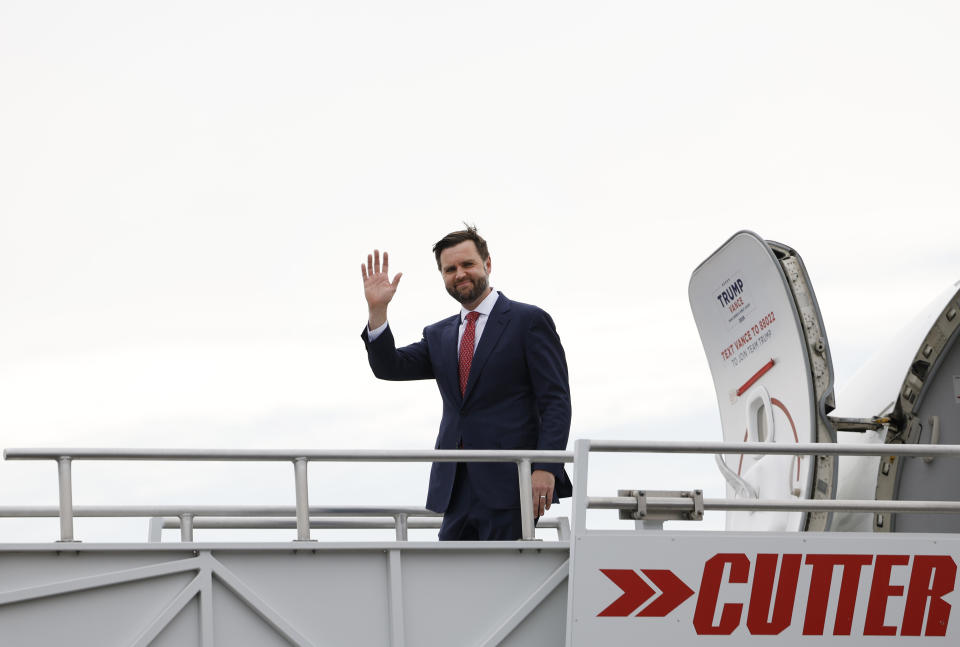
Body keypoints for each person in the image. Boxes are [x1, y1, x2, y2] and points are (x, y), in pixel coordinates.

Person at [360, 226, 572, 540]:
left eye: (467, 264)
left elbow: (556, 401)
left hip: (512, 481)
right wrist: (378, 311)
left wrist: (545, 467)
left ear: (487, 264)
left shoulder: (528, 322)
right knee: (452, 580)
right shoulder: (438, 334)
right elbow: (389, 367)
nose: (460, 274)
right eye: (450, 269)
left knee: (508, 580)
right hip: (455, 483)